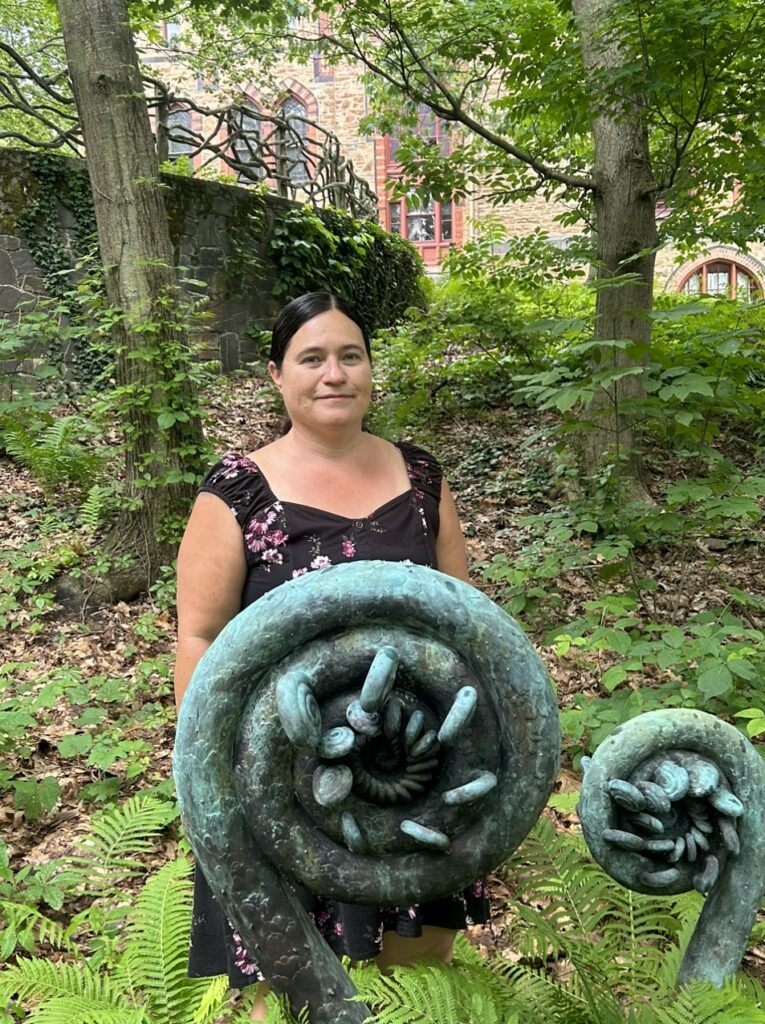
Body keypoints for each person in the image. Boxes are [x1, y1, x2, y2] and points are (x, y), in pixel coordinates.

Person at [174, 292, 490, 1019]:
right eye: (311, 358)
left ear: (371, 370)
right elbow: (200, 637)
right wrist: (210, 772)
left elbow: (464, 623)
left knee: (414, 984)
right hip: (279, 781)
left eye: (350, 356)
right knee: (290, 996)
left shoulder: (420, 481)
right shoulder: (235, 493)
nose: (334, 374)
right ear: (276, 376)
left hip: (414, 776)